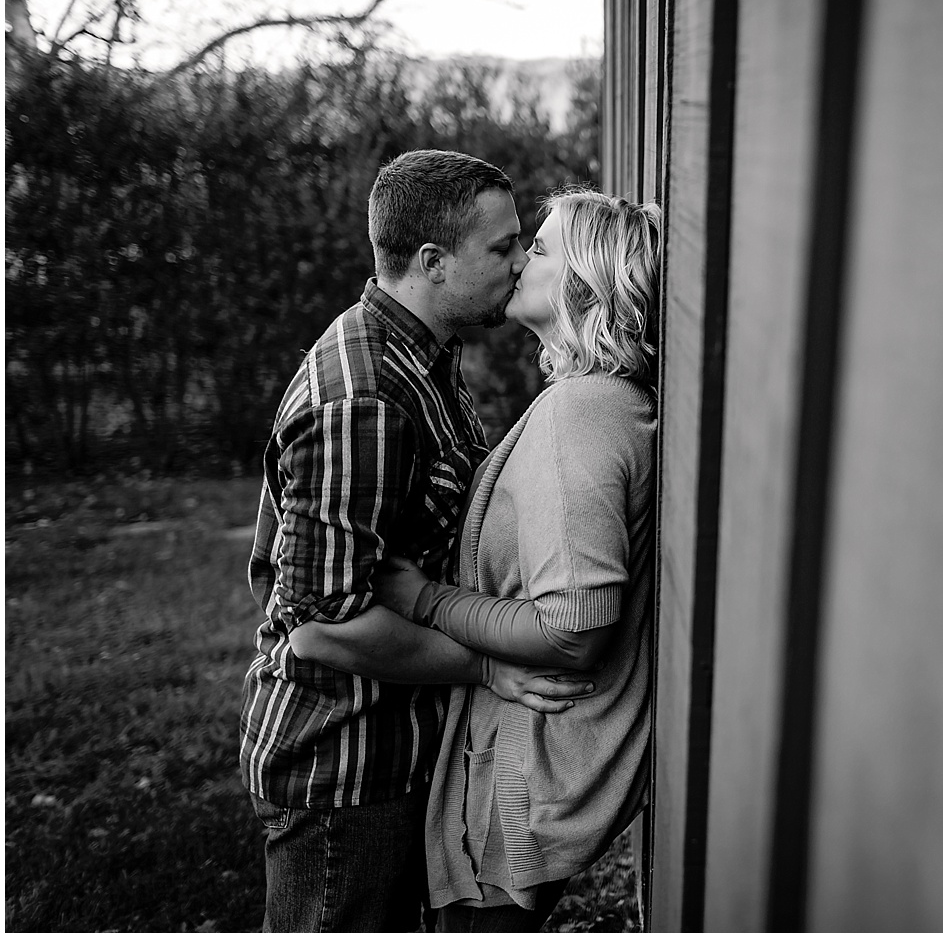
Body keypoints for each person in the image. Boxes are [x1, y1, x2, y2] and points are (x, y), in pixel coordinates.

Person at [238, 149, 592, 932]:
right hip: (344, 768)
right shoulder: (364, 397)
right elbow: (324, 630)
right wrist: (488, 665)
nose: (518, 261)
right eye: (501, 248)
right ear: (433, 262)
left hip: (397, 751)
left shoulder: (422, 353)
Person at [372, 190, 662, 931]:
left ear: (587, 280)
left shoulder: (584, 414)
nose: (519, 259)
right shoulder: (587, 400)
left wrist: (425, 599)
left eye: (540, 246)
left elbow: (576, 627)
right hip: (520, 771)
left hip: (525, 783)